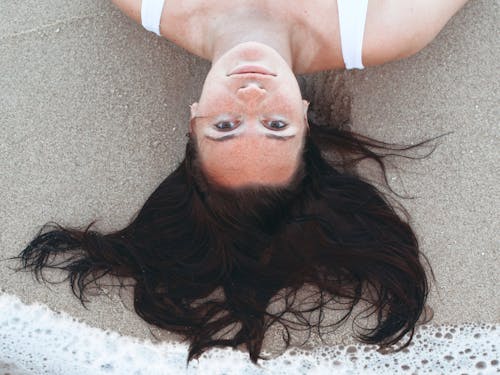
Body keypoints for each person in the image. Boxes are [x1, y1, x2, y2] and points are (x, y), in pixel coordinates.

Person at [12, 0, 469, 366]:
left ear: (194, 122)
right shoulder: (384, 26)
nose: (251, 95)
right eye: (275, 125)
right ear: (305, 120)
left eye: (226, 126)